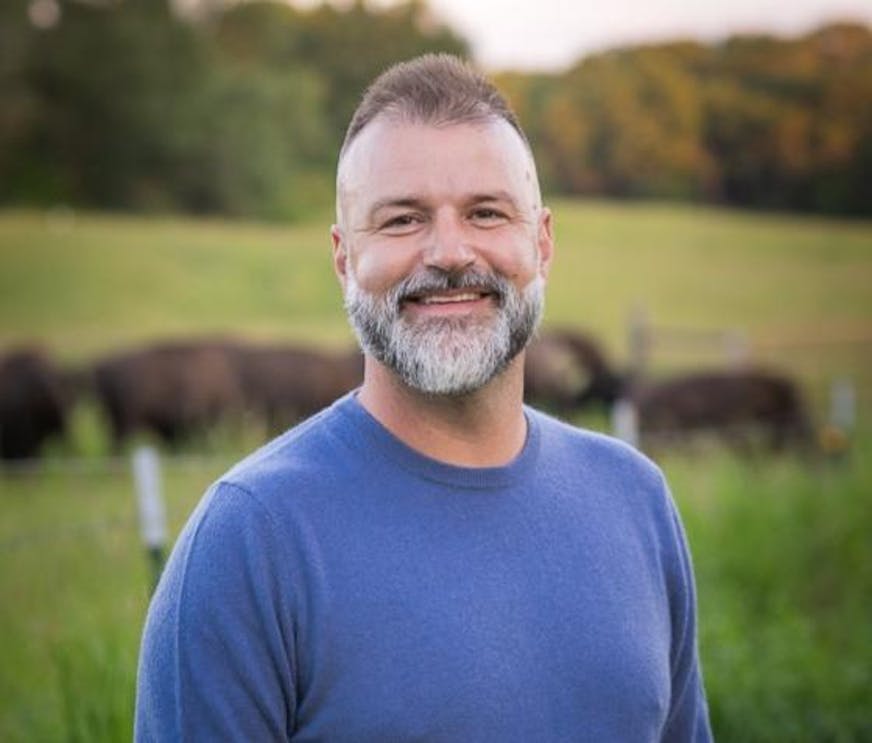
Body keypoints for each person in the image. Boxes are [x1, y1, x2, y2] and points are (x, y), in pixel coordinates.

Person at [135, 54, 712, 742]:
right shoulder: (249, 542)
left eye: (486, 212)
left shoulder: (636, 500)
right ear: (344, 255)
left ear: (543, 241)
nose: (449, 253)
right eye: (403, 219)